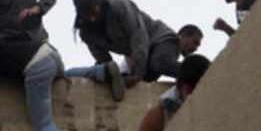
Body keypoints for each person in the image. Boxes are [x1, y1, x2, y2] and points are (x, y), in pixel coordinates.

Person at [67, 0, 179, 101]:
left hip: (161, 40)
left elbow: (138, 37)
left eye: (94, 12)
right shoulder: (87, 32)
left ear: (98, 4)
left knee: (159, 64)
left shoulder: (118, 7)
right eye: (88, 15)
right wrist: (114, 78)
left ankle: (189, 75)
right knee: (137, 88)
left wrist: (137, 74)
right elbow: (104, 60)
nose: (92, 18)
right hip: (143, 57)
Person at [66, 24, 203, 94]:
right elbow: (160, 64)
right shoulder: (171, 42)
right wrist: (193, 72)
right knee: (97, 74)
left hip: (130, 71)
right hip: (129, 72)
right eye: (195, 42)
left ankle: (64, 74)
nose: (195, 48)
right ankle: (63, 74)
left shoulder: (169, 45)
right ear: (183, 35)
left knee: (96, 75)